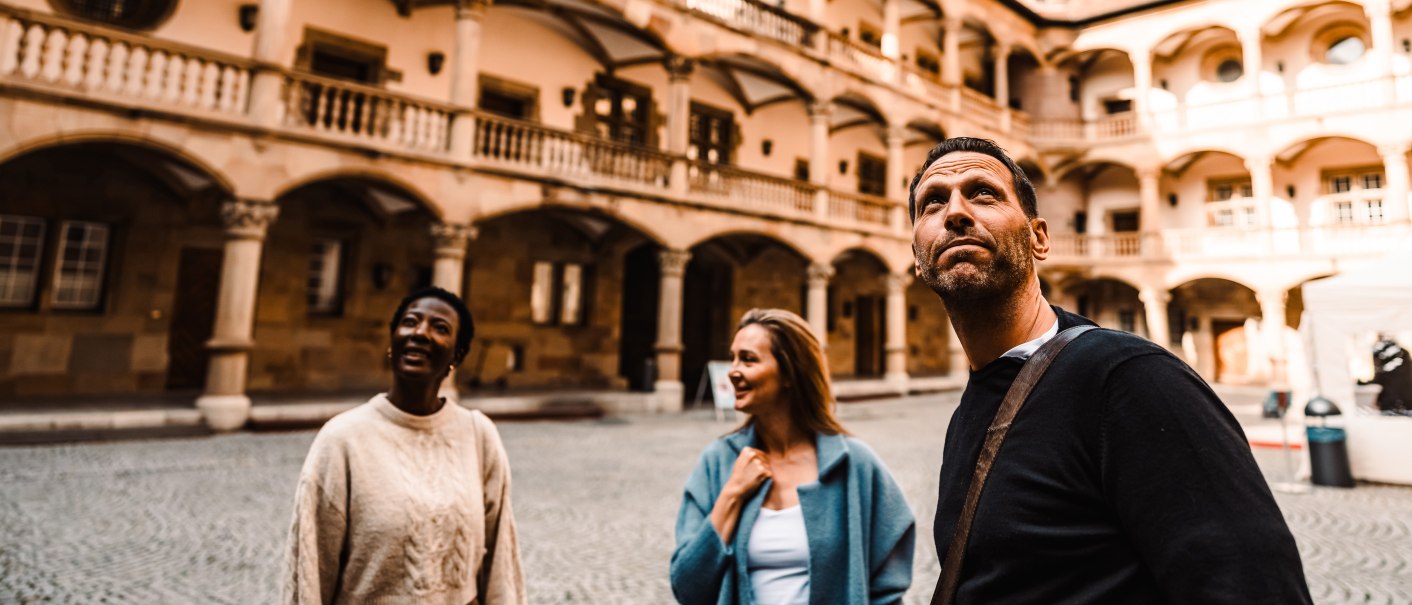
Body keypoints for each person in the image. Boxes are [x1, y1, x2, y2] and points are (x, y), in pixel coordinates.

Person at [908, 137, 1311, 603]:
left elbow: (1254, 586)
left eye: (983, 193)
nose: (955, 212)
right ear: (919, 260)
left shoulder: (1130, 379)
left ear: (1038, 238)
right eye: (932, 202)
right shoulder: (974, 405)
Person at [281, 286, 526, 605]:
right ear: (392, 341)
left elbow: (501, 562)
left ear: (457, 356)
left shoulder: (478, 435)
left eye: (440, 328)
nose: (421, 333)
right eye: (410, 322)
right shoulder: (342, 439)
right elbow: (310, 566)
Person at [670, 309, 915, 605]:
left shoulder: (854, 465)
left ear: (789, 372)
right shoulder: (718, 462)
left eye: (748, 359)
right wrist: (732, 494)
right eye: (732, 358)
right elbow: (687, 587)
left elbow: (888, 587)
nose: (733, 370)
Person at [1371, 333, 1412, 415]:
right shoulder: (1403, 352)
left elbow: (1379, 377)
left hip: (1392, 402)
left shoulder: (1379, 353)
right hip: (1398, 401)